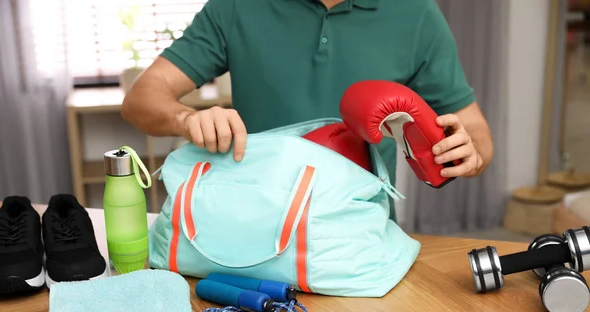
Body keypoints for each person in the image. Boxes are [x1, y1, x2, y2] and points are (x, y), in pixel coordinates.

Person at [121, 0, 493, 220]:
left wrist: (466, 153)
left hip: (361, 233)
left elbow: (477, 137)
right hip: (251, 227)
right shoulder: (236, 6)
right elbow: (141, 99)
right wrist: (189, 119)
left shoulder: (416, 14)